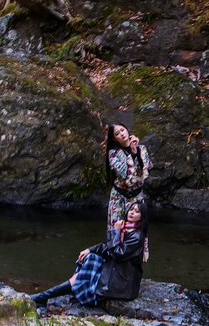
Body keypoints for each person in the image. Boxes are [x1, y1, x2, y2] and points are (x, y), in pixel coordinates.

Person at [31, 200, 148, 308]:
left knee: (79, 278)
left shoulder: (137, 236)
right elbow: (107, 247)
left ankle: (42, 297)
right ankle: (42, 297)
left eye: (137, 211)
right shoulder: (125, 229)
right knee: (90, 258)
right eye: (131, 209)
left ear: (142, 217)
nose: (132, 212)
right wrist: (90, 250)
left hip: (121, 282)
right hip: (115, 270)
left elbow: (117, 253)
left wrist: (116, 232)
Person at [106, 123, 151, 256]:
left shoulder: (141, 148)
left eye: (122, 130)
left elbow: (146, 172)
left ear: (127, 130)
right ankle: (113, 257)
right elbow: (124, 175)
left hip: (136, 196)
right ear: (114, 139)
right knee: (116, 228)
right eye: (117, 133)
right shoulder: (113, 153)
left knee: (138, 228)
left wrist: (137, 152)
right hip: (119, 196)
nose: (122, 134)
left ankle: (138, 259)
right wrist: (132, 154)